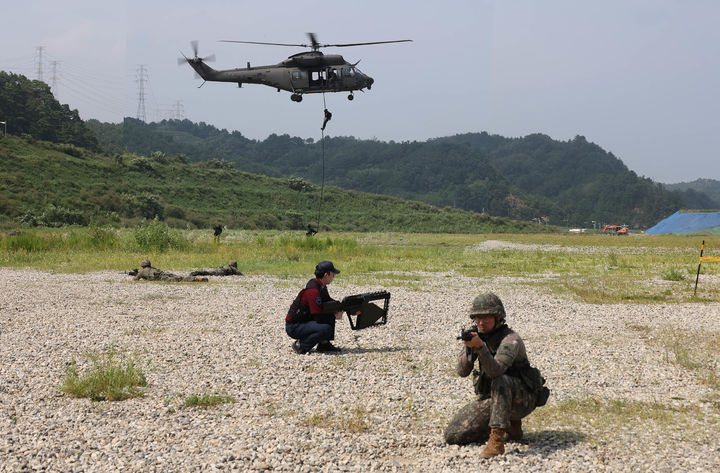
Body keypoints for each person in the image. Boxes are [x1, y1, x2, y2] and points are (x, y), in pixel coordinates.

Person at [444, 292, 548, 458]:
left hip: (523, 399)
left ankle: (497, 440)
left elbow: (496, 371)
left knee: (501, 379)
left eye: (486, 317)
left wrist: (481, 348)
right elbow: (462, 372)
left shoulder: (510, 340)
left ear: (498, 317)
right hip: (497, 399)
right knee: (453, 435)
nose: (481, 322)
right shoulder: (479, 337)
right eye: (477, 318)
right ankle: (512, 427)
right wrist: (470, 349)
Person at [285, 261, 344, 354]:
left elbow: (330, 303)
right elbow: (318, 316)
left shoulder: (320, 286)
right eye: (333, 275)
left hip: (303, 322)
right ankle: (301, 345)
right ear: (326, 275)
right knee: (326, 327)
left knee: (329, 317)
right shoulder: (313, 291)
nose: (333, 277)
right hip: (294, 326)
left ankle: (324, 344)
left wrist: (345, 309)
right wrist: (335, 315)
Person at [132, 260, 208, 282]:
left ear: (143, 266)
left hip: (161, 278)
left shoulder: (142, 272)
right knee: (179, 277)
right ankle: (194, 278)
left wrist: (135, 276)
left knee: (180, 279)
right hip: (164, 274)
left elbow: (135, 280)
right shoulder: (152, 268)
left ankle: (196, 279)